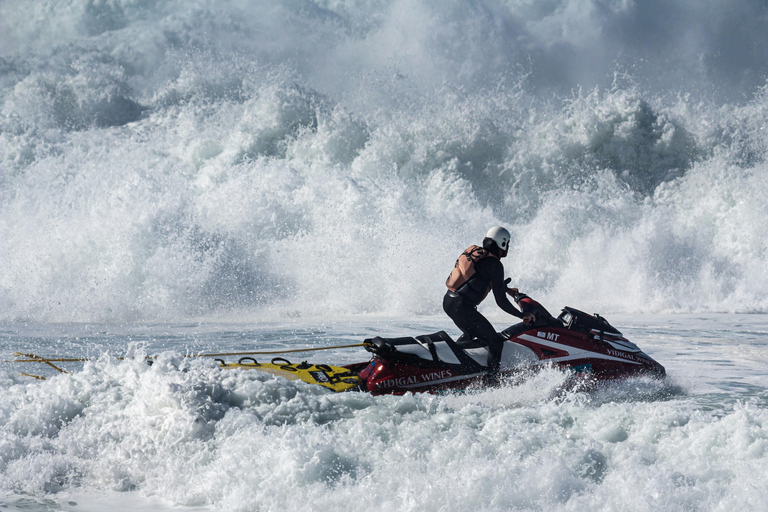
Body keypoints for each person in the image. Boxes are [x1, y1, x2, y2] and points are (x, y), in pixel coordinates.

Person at [443, 226, 534, 380]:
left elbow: (477, 279)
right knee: (496, 343)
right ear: (503, 243)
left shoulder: (478, 252)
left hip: (449, 301)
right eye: (508, 244)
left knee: (470, 333)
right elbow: (501, 302)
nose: (508, 248)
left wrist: (507, 289)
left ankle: (454, 366)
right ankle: (491, 383)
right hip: (463, 308)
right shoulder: (495, 264)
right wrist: (522, 315)